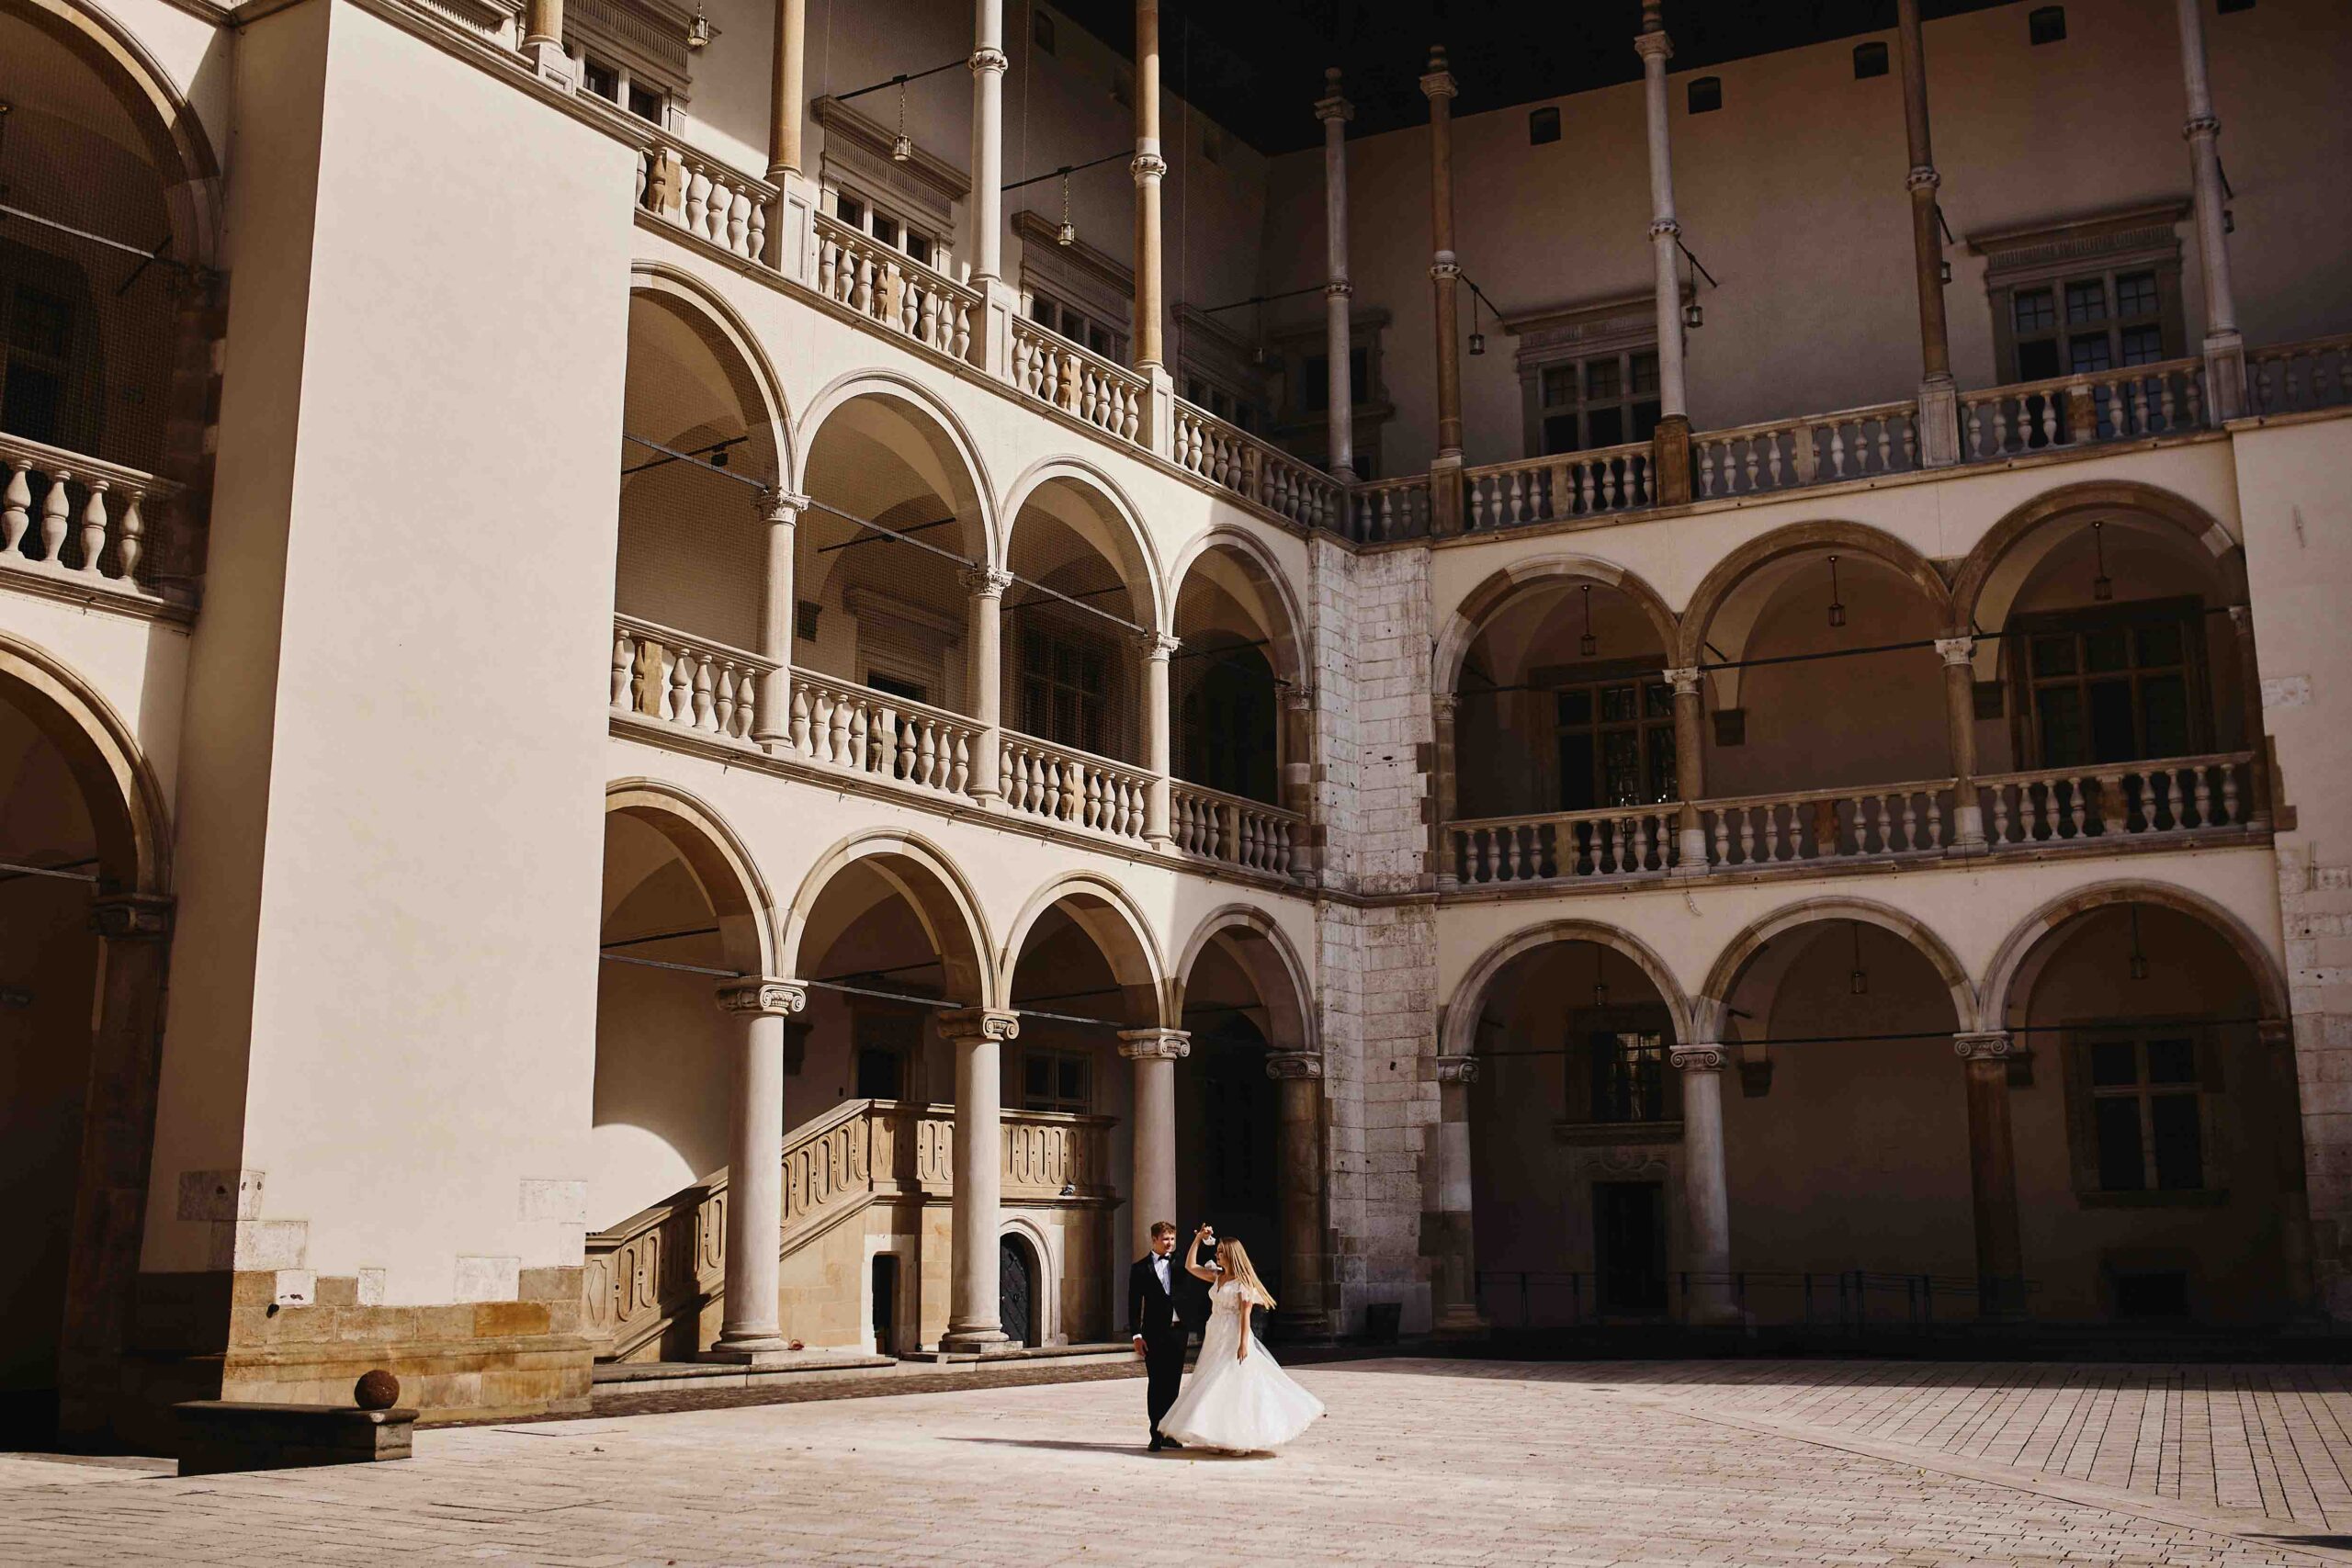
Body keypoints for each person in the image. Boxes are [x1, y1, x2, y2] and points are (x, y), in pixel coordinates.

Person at [1156, 1225, 1324, 1454]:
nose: (1217, 1255)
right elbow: (1190, 1266)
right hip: (1215, 1333)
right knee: (1213, 1384)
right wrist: (1198, 1239)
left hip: (1233, 1334)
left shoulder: (1243, 1284)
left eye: (1221, 1252)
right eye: (1217, 1251)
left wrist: (1243, 1344)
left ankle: (1240, 1439)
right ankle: (1219, 1437)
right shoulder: (1217, 1276)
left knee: (1233, 1383)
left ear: (1231, 1255)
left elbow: (1245, 1316)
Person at [1126, 1220, 1206, 1451]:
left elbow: (1199, 1264)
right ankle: (1156, 1433)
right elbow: (1133, 1304)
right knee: (1156, 1384)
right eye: (1165, 1239)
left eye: (1172, 1239)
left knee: (1173, 1384)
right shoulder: (1139, 1268)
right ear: (1154, 1240)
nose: (1169, 1243)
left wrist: (1202, 1239)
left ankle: (1171, 1432)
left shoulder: (1181, 1262)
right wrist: (1136, 1335)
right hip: (1153, 1333)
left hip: (1178, 1332)